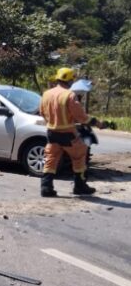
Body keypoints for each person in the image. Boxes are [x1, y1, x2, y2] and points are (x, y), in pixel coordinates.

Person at [39, 67, 102, 197]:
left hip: (51, 132)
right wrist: (97, 122)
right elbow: (81, 117)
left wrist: (52, 123)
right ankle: (79, 186)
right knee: (79, 156)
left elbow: (42, 112)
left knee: (51, 158)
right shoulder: (69, 95)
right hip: (68, 133)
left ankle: (46, 187)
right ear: (69, 80)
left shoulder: (46, 94)